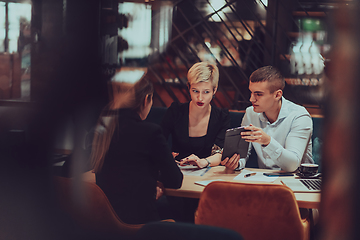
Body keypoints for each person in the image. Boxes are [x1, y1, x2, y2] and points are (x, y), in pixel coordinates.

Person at [90, 74, 183, 224]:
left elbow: (124, 170)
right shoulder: (151, 132)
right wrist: (157, 177)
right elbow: (176, 180)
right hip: (141, 227)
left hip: (105, 225)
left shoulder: (104, 129)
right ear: (146, 99)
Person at [222, 66, 314, 172]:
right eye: (251, 92)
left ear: (277, 95)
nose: (251, 99)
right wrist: (236, 163)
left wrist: (268, 141)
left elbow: (292, 165)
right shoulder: (251, 112)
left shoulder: (299, 116)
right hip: (264, 178)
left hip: (297, 180)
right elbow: (244, 153)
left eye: (258, 94)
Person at [161, 62, 230, 168]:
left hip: (207, 172)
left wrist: (203, 162)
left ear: (214, 90)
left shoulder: (222, 117)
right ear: (189, 87)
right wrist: (166, 156)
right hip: (177, 170)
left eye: (206, 92)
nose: (200, 98)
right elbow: (159, 141)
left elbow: (219, 153)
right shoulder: (175, 111)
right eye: (195, 91)